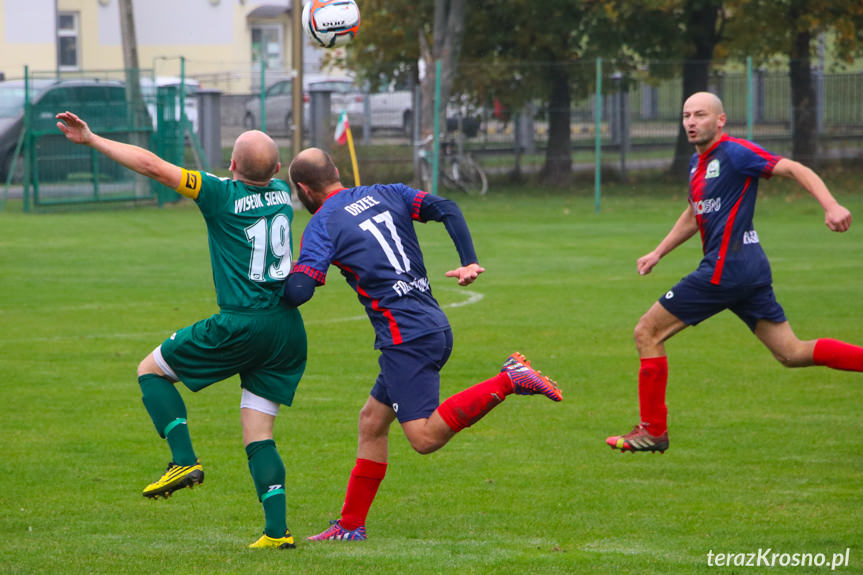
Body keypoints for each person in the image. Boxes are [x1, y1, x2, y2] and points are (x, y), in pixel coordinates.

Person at [282, 148, 562, 541]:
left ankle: (509, 380)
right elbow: (446, 207)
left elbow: (299, 291)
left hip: (406, 338)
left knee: (424, 438)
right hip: (431, 326)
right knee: (372, 422)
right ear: (338, 172)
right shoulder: (387, 192)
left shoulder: (323, 224)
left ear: (303, 189)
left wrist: (280, 272)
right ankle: (350, 526)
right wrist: (468, 260)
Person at [56, 112, 307, 549]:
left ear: (231, 166)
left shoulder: (218, 194)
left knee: (150, 370)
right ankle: (277, 531)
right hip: (286, 329)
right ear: (276, 170)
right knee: (259, 435)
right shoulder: (284, 193)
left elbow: (152, 165)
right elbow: (258, 173)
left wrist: (94, 139)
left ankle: (183, 460)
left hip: (240, 323)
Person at [605, 91, 863, 454]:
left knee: (647, 332)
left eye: (700, 115)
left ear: (720, 121)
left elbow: (794, 168)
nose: (691, 122)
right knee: (791, 352)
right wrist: (659, 252)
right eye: (686, 116)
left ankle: (653, 431)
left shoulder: (736, 153)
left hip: (726, 269)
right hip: (747, 269)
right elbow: (696, 212)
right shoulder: (697, 165)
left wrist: (831, 205)